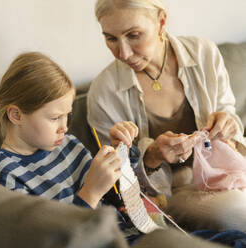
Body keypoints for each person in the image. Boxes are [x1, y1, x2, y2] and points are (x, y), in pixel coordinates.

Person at [88, 0, 246, 233]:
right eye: (111, 38)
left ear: (161, 21)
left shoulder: (204, 52)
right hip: (175, 192)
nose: (122, 53)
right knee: (236, 211)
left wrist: (228, 124)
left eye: (133, 35)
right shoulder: (103, 94)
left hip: (227, 167)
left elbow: (230, 115)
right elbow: (120, 185)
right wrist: (151, 158)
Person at [0, 51, 145, 243]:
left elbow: (116, 193)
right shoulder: (8, 172)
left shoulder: (67, 143)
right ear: (16, 115)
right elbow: (48, 240)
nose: (64, 127)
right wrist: (91, 193)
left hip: (128, 231)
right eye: (55, 118)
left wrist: (122, 153)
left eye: (67, 115)